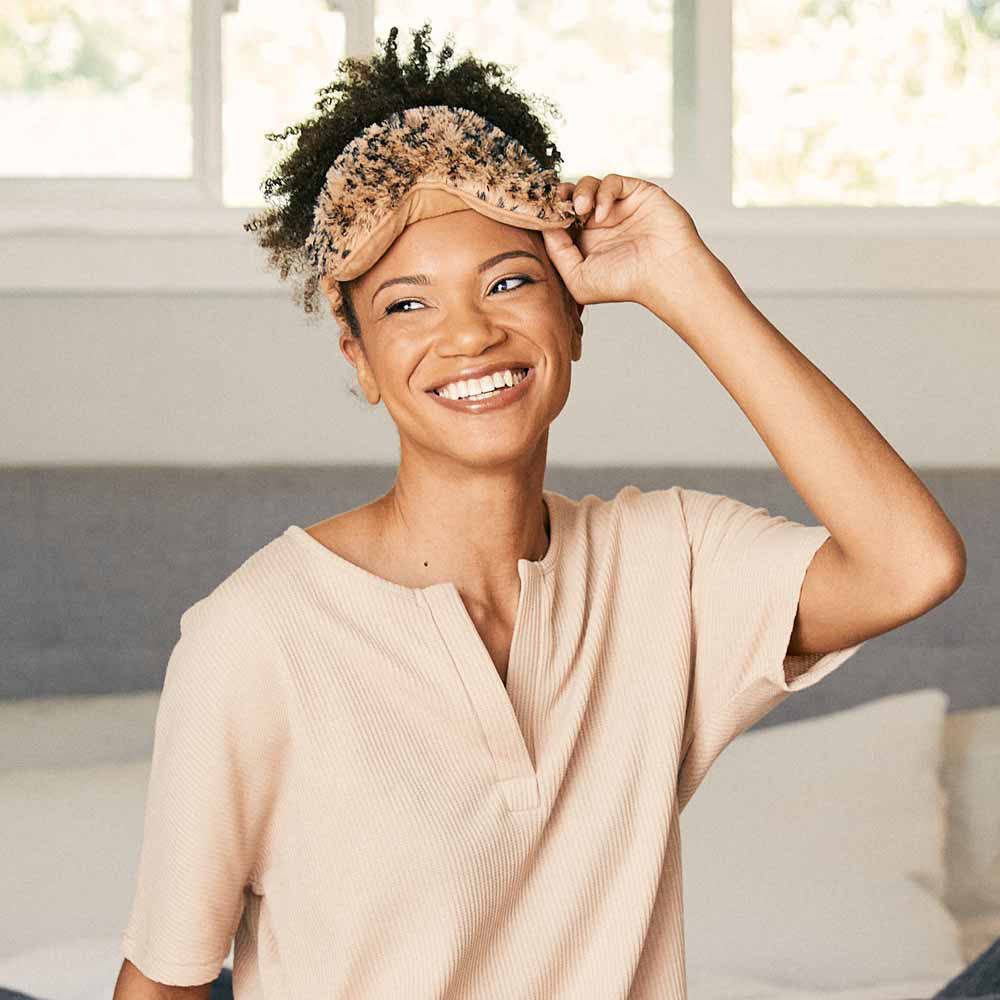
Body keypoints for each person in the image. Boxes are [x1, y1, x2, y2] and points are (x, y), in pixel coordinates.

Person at [115, 20, 966, 1000]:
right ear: (358, 360)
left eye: (510, 282)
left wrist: (682, 279)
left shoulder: (667, 562)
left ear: (573, 314)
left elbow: (912, 565)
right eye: (406, 304)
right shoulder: (255, 637)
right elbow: (164, 983)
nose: (470, 332)